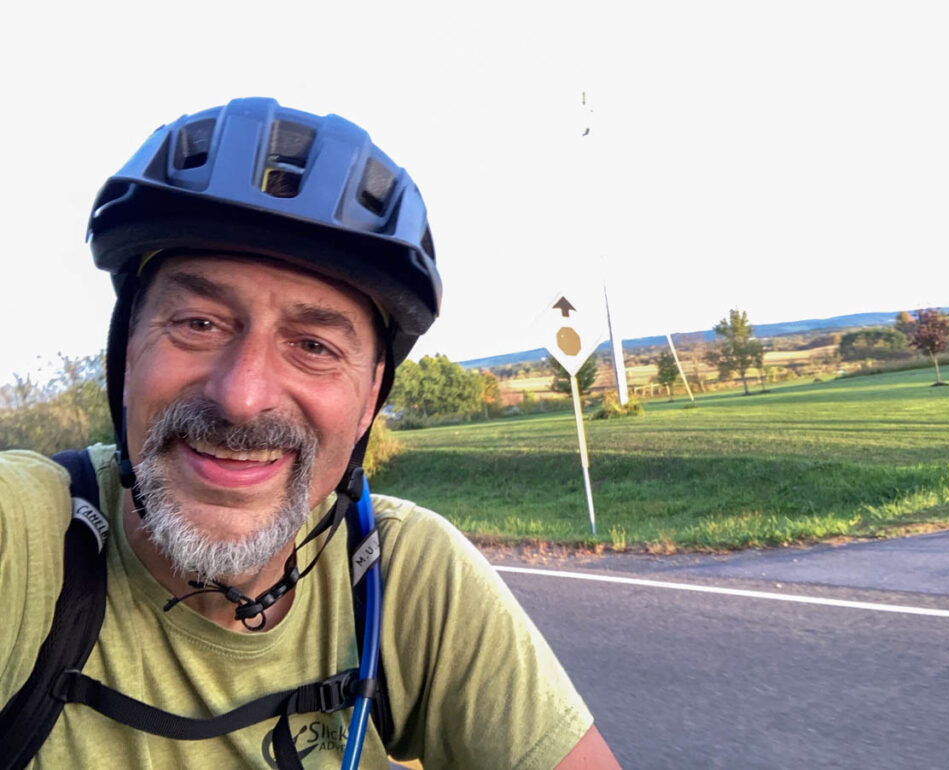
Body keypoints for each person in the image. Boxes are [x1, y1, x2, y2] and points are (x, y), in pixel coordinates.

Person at [0, 98, 619, 769]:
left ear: (368, 401)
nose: (241, 398)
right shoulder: (26, 544)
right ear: (125, 359)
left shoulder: (401, 578)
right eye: (198, 323)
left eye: (314, 345)